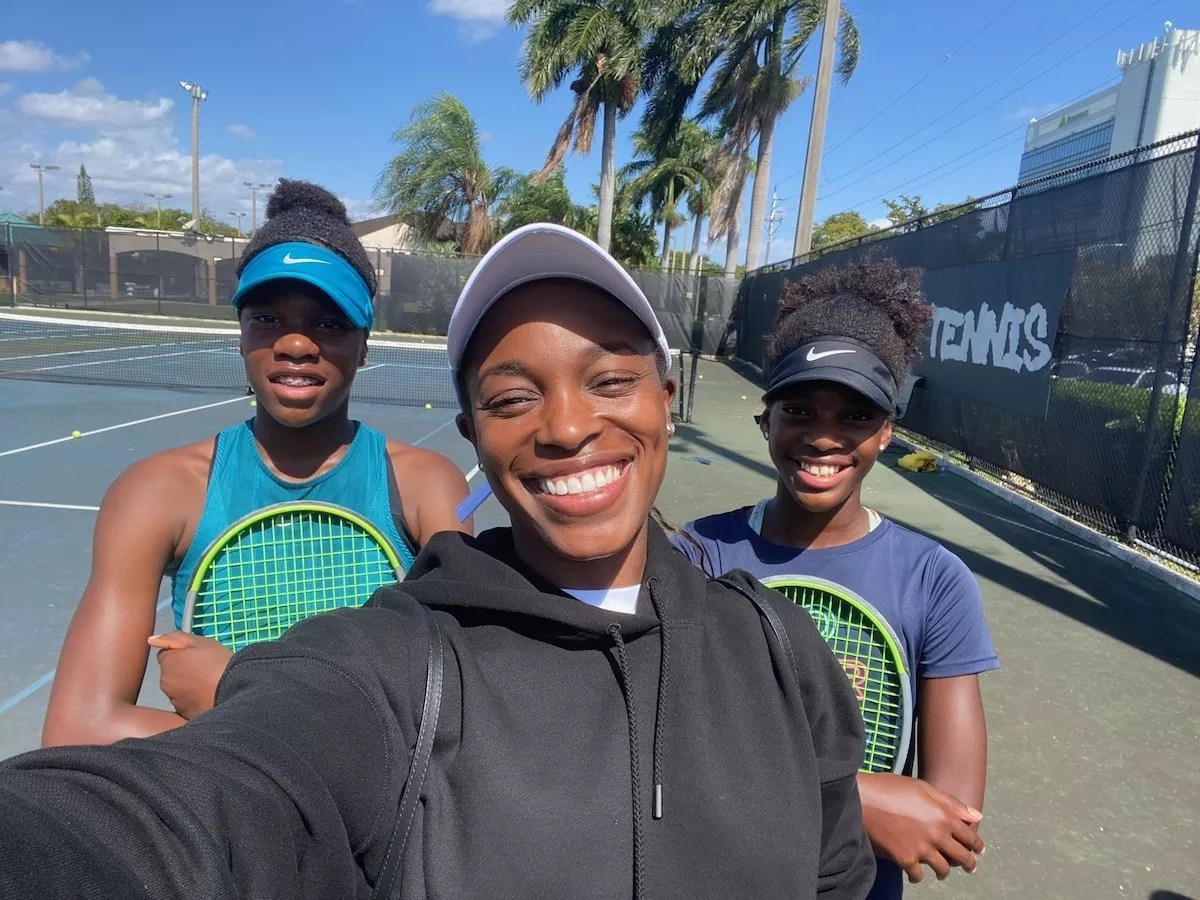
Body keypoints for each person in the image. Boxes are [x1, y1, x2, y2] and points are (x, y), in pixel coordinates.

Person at [0, 223, 876, 899]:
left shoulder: (782, 650)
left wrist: (227, 678)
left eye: (609, 380)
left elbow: (834, 876)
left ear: (665, 398)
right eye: (512, 397)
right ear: (474, 434)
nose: (568, 426)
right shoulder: (395, 667)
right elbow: (174, 813)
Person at [41, 179, 470, 746]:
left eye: (329, 322)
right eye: (267, 318)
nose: (295, 344)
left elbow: (456, 714)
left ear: (364, 345)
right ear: (240, 335)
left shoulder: (426, 487)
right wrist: (320, 730)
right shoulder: (155, 491)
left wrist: (237, 693)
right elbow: (78, 728)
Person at [673, 257, 1000, 899]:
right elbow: (664, 755)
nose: (824, 438)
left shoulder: (936, 581)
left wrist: (764, 788)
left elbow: (951, 821)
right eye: (799, 409)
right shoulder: (696, 553)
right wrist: (857, 798)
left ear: (887, 431)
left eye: (855, 416)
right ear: (766, 419)